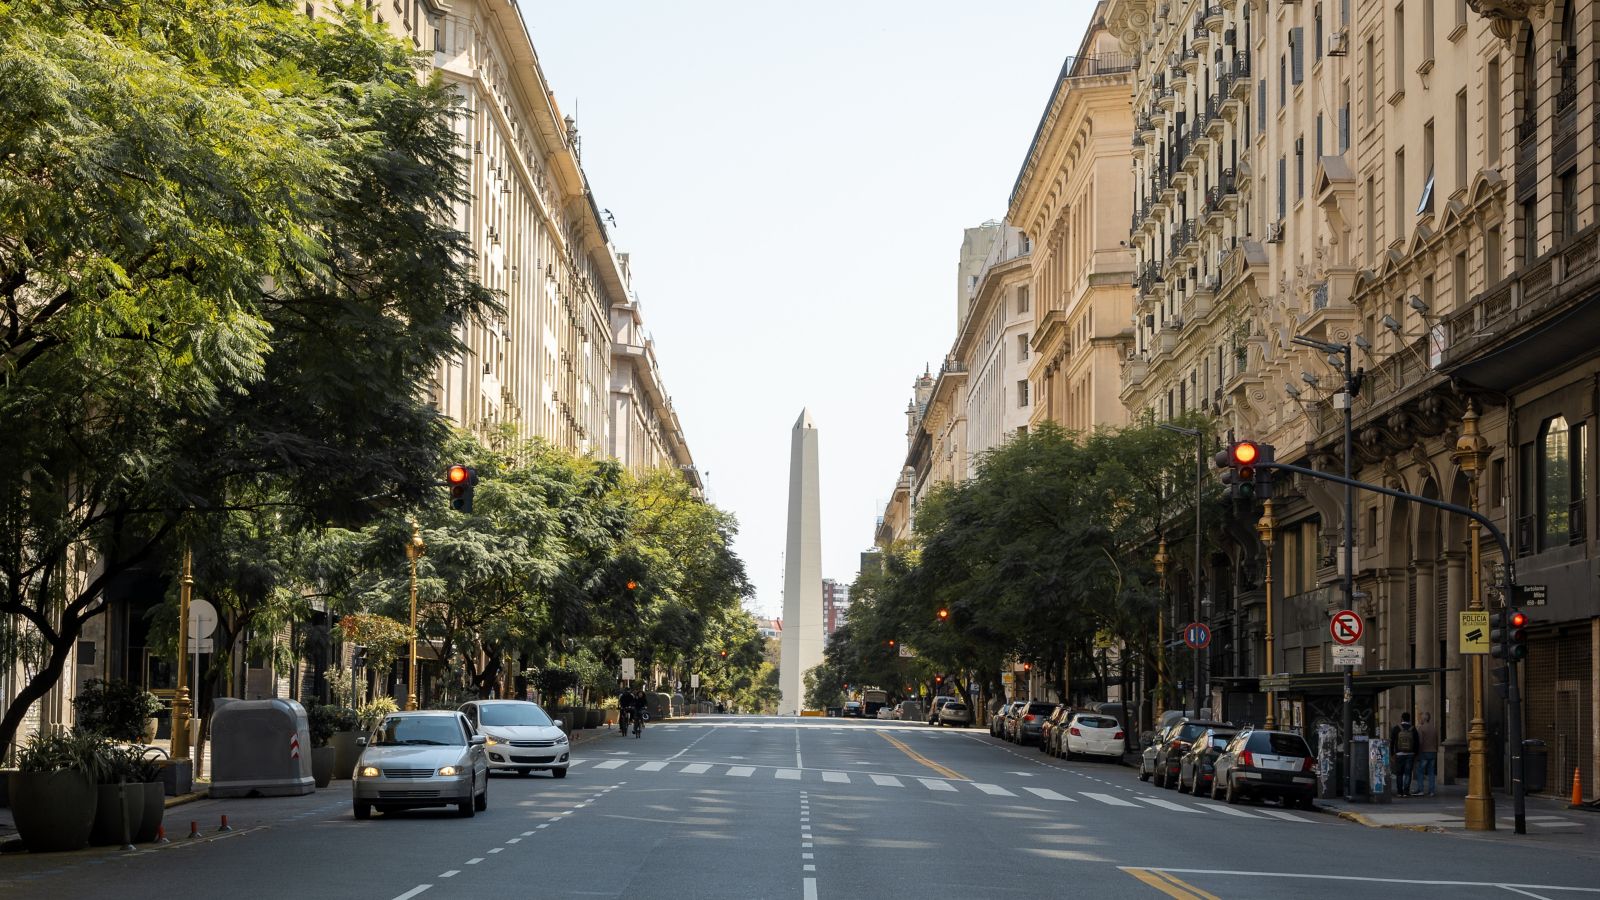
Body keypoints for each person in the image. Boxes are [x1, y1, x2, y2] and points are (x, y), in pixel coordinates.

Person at [1391, 711, 1420, 797]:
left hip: (1399, 754)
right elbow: (1417, 742)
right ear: (1409, 719)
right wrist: (1416, 753)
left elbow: (1392, 741)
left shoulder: (1396, 728)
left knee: (1399, 773)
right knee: (1408, 773)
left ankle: (1399, 792)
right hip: (1410, 754)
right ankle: (1406, 791)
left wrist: (1392, 753)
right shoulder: (1413, 729)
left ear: (1402, 718)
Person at [1414, 711, 1439, 797]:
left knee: (1420, 771)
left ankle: (1421, 789)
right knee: (1431, 772)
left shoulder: (1421, 728)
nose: (1420, 719)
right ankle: (1431, 791)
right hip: (1433, 752)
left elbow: (1420, 742)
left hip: (1424, 752)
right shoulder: (1434, 728)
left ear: (1424, 719)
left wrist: (1418, 753)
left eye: (1421, 718)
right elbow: (1437, 741)